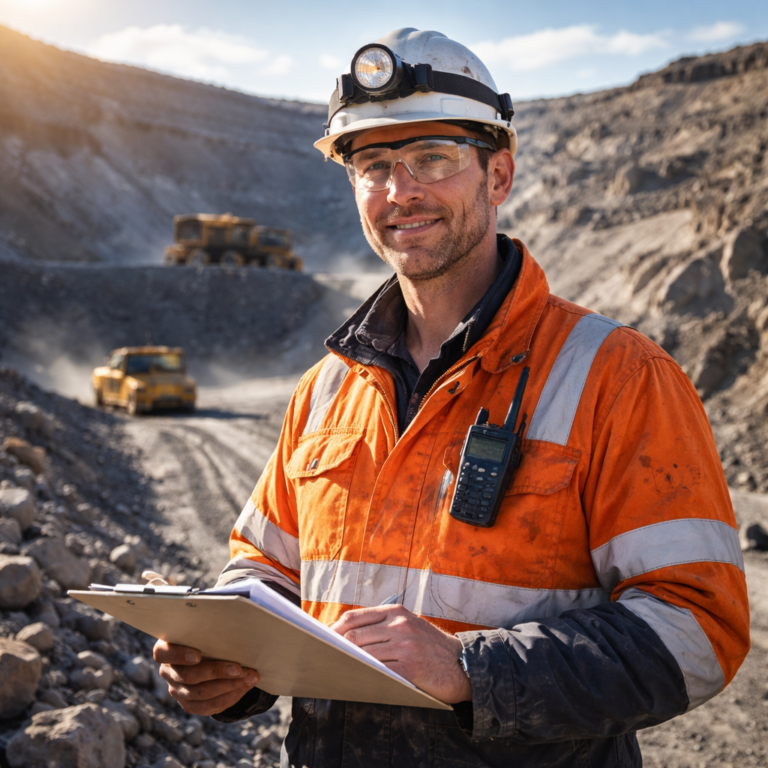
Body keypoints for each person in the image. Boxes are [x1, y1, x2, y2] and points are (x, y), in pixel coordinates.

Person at [155, 28, 750, 767]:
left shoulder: (617, 376)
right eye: (373, 165)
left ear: (498, 176)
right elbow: (266, 567)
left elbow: (699, 631)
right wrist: (226, 659)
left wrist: (474, 670)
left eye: (431, 159)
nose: (400, 191)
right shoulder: (328, 387)